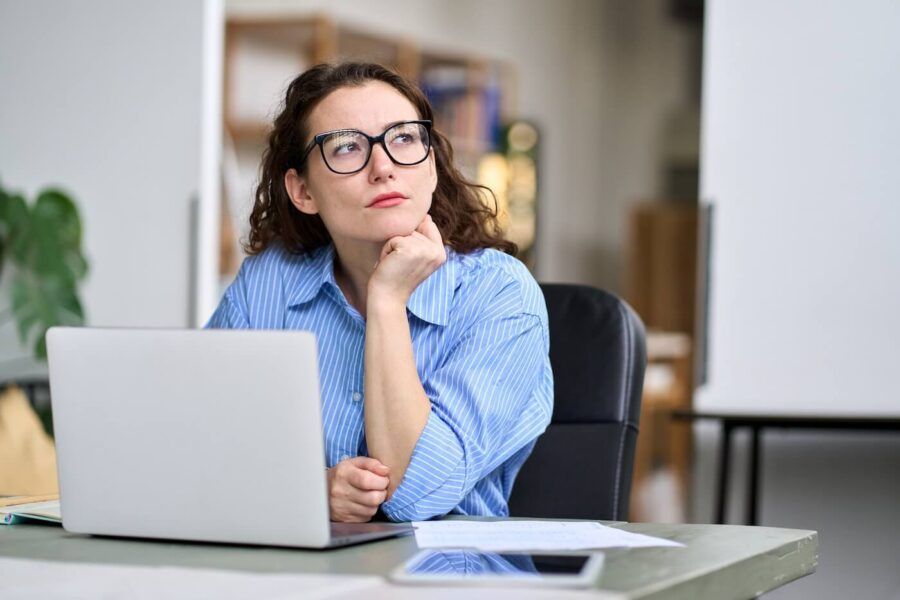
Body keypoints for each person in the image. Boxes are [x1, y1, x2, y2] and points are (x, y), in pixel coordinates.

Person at [207, 62, 552, 523]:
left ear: (430, 166)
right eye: (347, 147)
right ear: (303, 190)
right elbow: (201, 450)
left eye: (404, 138)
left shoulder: (500, 293)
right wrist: (309, 488)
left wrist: (387, 301)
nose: (383, 167)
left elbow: (416, 495)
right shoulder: (267, 284)